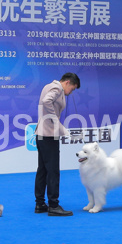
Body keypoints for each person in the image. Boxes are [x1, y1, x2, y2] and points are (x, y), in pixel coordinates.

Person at [35, 72, 80, 216]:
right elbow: (46, 101)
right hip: (49, 135)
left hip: (41, 134)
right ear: (67, 83)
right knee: (53, 171)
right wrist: (55, 121)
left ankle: (40, 204)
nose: (70, 92)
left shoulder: (48, 86)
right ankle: (53, 205)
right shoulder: (57, 88)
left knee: (42, 170)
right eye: (72, 89)